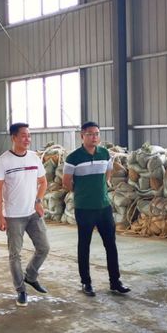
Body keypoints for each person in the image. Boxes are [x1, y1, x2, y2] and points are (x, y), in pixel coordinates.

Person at [62, 121, 131, 297]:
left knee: (111, 245)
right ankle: (86, 282)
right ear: (82, 136)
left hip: (104, 207)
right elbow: (66, 181)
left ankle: (115, 281)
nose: (94, 137)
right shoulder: (73, 157)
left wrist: (103, 184)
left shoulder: (104, 153)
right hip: (84, 208)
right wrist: (81, 192)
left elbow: (108, 172)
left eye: (97, 134)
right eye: (90, 134)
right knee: (84, 245)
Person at [0, 122, 50, 307]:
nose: (27, 139)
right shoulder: (3, 161)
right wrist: (0, 215)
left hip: (33, 213)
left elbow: (43, 182)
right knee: (15, 255)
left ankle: (31, 276)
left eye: (29, 135)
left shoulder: (34, 158)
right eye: (23, 135)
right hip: (13, 216)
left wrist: (38, 201)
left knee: (44, 248)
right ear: (14, 138)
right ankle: (21, 290)